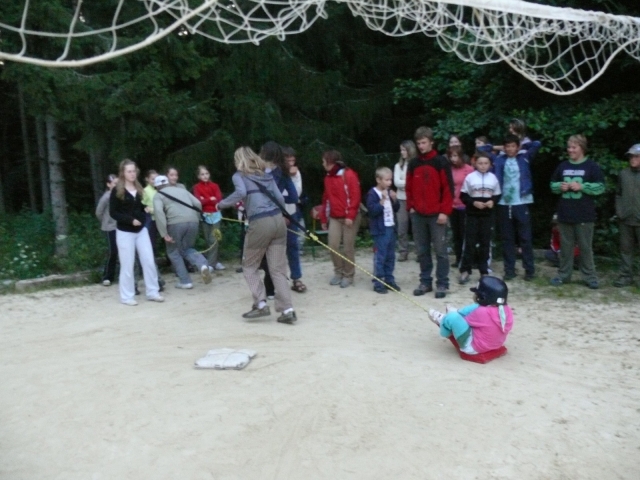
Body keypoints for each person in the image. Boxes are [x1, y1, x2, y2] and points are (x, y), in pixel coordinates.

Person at [217, 146, 297, 324]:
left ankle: (261, 304)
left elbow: (241, 193)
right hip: (278, 221)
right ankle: (287, 309)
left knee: (249, 265)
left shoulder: (239, 176)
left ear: (239, 161)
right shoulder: (266, 174)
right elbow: (280, 198)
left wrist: (220, 205)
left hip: (260, 222)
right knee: (278, 269)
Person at [549, 135, 605, 289]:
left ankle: (590, 277)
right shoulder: (563, 166)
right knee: (565, 248)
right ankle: (563, 275)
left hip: (584, 215)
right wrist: (560, 186)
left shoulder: (591, 166)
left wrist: (582, 187)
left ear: (582, 148)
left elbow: (600, 187)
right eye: (569, 147)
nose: (570, 150)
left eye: (574, 147)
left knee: (585, 248)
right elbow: (552, 185)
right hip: (565, 213)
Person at [406, 126, 454, 299]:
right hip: (418, 214)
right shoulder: (413, 163)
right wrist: (411, 206)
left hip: (437, 214)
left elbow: (448, 188)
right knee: (422, 250)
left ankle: (442, 283)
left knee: (440, 250)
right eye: (418, 143)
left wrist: (444, 211)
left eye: (424, 142)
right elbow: (408, 187)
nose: (421, 146)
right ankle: (425, 281)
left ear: (431, 142)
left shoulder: (441, 162)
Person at [109, 160, 164, 306]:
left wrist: (144, 211)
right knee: (127, 264)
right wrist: (130, 220)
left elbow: (140, 207)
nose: (132, 174)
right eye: (129, 171)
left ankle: (153, 292)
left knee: (149, 260)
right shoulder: (117, 191)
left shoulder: (139, 189)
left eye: (134, 171)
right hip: (125, 232)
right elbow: (113, 212)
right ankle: (127, 296)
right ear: (123, 173)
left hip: (141, 230)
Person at [489, 134, 541, 281]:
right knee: (507, 239)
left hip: (521, 201)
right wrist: (498, 147)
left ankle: (529, 270)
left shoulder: (524, 157)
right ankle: (509, 270)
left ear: (517, 147)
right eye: (508, 146)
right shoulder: (499, 159)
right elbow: (482, 149)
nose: (510, 149)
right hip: (504, 203)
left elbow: (537, 144)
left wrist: (522, 146)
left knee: (525, 238)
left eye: (513, 146)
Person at [261, 141, 306, 293]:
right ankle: (275, 282)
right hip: (273, 215)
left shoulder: (287, 174)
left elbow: (295, 195)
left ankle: (295, 278)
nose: (290, 163)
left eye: (292, 160)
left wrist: (279, 199)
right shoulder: (263, 173)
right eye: (287, 159)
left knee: (290, 246)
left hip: (288, 214)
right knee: (274, 249)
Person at [428, 276, 514, 355]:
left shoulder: (482, 311)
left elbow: (463, 322)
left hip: (474, 348)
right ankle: (457, 311)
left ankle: (442, 319)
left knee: (452, 317)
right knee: (473, 309)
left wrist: (447, 328)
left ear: (483, 297)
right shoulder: (506, 309)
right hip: (496, 344)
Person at [153, 175, 213, 289]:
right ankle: (202, 265)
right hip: (193, 221)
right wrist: (196, 218)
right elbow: (197, 203)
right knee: (187, 248)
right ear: (168, 183)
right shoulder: (182, 190)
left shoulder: (158, 195)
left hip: (175, 223)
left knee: (173, 252)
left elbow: (159, 213)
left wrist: (164, 233)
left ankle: (185, 281)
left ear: (156, 187)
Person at [319, 149, 362, 288]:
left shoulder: (349, 175)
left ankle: (349, 275)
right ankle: (338, 272)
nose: (322, 164)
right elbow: (326, 199)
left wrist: (350, 215)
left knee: (348, 247)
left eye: (324, 161)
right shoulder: (328, 178)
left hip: (350, 217)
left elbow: (355, 196)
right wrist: (324, 218)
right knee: (333, 245)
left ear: (330, 162)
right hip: (335, 217)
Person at [459, 152, 501, 283]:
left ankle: (484, 270)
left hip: (487, 215)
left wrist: (492, 201)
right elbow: (463, 196)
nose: (483, 166)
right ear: (475, 164)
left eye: (486, 163)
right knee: (470, 242)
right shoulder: (470, 177)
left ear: (490, 165)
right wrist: (473, 203)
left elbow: (497, 194)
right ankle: (465, 270)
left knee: (485, 243)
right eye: (480, 163)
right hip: (472, 214)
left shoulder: (493, 178)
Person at [366, 167, 401, 294]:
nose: (389, 183)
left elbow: (396, 209)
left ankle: (389, 279)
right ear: (378, 180)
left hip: (391, 227)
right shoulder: (372, 194)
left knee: (390, 255)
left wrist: (395, 199)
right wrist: (382, 201)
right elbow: (372, 211)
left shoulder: (389, 192)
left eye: (390, 180)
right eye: (386, 180)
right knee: (380, 256)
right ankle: (378, 282)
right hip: (380, 229)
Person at [614, 144, 640, 287]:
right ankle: (625, 276)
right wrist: (620, 211)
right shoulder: (623, 174)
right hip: (625, 219)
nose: (632, 159)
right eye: (631, 156)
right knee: (625, 249)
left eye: (636, 156)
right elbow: (618, 194)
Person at [192, 165, 225, 271]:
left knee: (214, 239)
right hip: (204, 216)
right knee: (207, 239)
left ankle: (211, 264)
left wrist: (205, 199)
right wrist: (210, 199)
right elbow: (198, 201)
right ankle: (215, 261)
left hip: (216, 215)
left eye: (206, 173)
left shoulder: (215, 186)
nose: (205, 176)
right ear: (198, 176)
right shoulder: (196, 187)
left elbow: (218, 199)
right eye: (202, 174)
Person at [448, 145, 474, 269]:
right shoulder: (449, 169)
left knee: (465, 234)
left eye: (455, 156)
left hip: (465, 206)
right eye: (451, 156)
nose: (453, 159)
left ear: (461, 156)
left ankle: (467, 260)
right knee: (456, 234)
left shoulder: (469, 169)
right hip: (453, 205)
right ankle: (458, 258)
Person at [394, 140, 416, 262]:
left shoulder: (416, 164)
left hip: (414, 199)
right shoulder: (398, 166)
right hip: (401, 199)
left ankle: (420, 252)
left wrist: (406, 184)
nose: (402, 152)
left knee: (417, 227)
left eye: (404, 150)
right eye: (401, 150)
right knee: (402, 227)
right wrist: (408, 184)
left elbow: (417, 182)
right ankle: (403, 251)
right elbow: (396, 182)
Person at [95, 174, 118, 287]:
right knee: (113, 251)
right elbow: (98, 212)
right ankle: (107, 276)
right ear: (108, 184)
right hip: (110, 228)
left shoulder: (120, 195)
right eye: (115, 183)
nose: (117, 185)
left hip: (121, 226)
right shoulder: (106, 197)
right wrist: (106, 222)